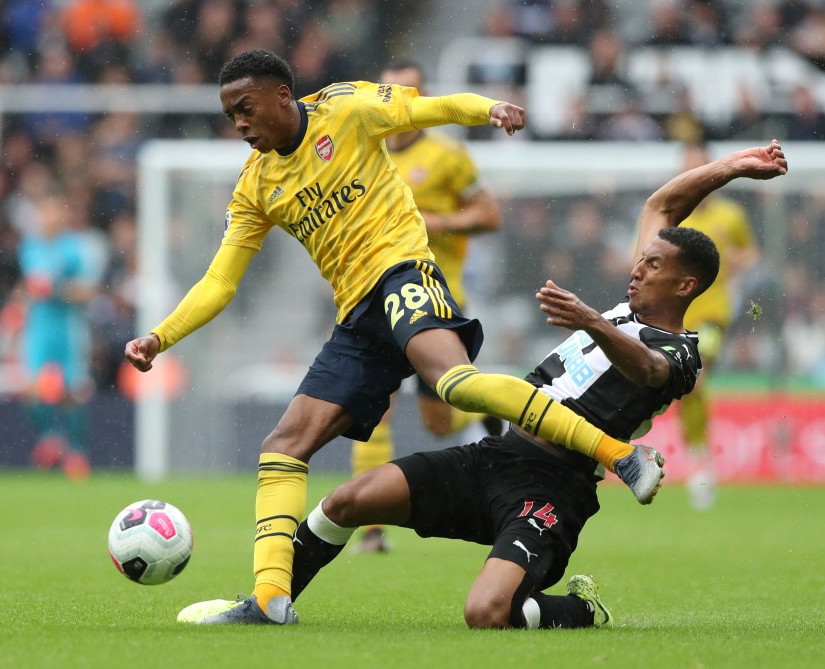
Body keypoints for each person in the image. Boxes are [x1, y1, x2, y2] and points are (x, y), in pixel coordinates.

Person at [125, 49, 663, 627]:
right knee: (283, 445)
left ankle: (621, 456)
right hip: (357, 316)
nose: (240, 125)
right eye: (231, 116)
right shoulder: (256, 186)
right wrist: (160, 336)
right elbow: (219, 281)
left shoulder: (345, 108)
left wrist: (489, 109)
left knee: (455, 385)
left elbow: (426, 109)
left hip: (402, 275)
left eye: (246, 109)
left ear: (283, 95)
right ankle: (268, 600)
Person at [274, 140, 787, 631]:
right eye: (640, 259)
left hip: (551, 488)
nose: (637, 269)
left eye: (653, 266)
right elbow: (662, 203)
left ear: (684, 286)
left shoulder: (682, 353)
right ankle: (270, 604)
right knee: (347, 500)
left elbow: (650, 371)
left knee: (487, 613)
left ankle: (579, 610)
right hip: (496, 454)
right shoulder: (626, 309)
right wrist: (734, 166)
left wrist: (591, 320)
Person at [349, 58, 504, 554]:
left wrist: (437, 223)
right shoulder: (364, 151)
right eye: (391, 92)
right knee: (374, 406)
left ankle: (479, 416)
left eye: (409, 92)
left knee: (439, 420)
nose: (399, 102)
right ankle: (371, 528)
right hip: (376, 292)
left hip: (436, 294)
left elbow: (489, 214)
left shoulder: (448, 156)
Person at [676, 141, 760, 510]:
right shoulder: (673, 214)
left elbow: (750, 252)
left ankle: (699, 464)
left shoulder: (730, 216)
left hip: (713, 315)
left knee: (695, 376)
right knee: (680, 386)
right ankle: (696, 455)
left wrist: (736, 263)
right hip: (674, 318)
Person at [18, 192, 102, 480]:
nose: (49, 217)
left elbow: (88, 292)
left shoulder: (74, 248)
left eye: (54, 211)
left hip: (67, 327)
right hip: (39, 327)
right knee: (31, 389)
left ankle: (77, 454)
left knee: (71, 393)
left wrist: (57, 290)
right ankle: (50, 438)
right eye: (44, 211)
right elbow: (27, 286)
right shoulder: (30, 247)